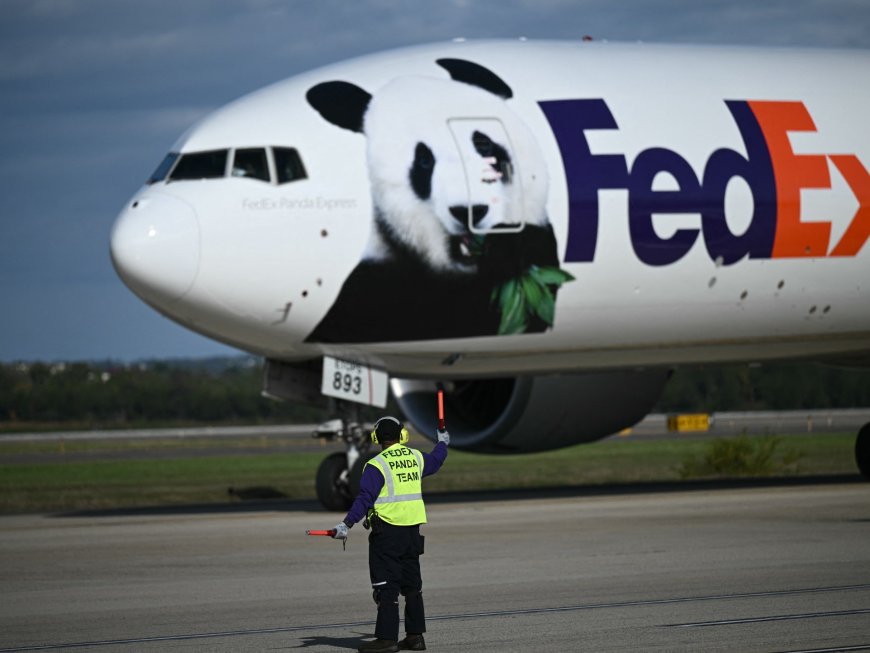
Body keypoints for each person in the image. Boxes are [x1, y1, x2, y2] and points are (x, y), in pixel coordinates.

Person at [333, 415, 449, 653]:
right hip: (412, 534)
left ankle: (387, 639)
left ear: (376, 437)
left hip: (387, 533)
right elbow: (436, 461)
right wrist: (442, 443)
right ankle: (415, 637)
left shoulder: (377, 465)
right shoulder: (415, 457)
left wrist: (346, 524)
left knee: (386, 586)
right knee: (412, 586)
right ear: (402, 436)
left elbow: (365, 498)